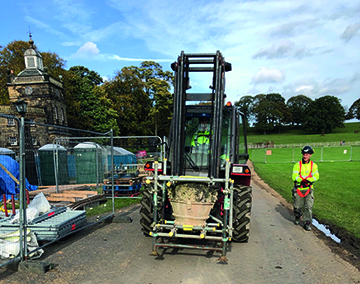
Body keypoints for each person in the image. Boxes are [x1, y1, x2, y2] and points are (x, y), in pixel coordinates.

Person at [292, 145, 319, 231]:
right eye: (304, 154)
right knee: (297, 207)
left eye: (307, 154)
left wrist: (308, 180)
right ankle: (297, 215)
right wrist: (301, 180)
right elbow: (294, 176)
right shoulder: (297, 165)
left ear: (310, 155)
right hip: (299, 189)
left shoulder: (313, 166)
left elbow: (316, 176)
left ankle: (307, 223)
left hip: (308, 188)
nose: (305, 156)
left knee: (309, 207)